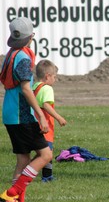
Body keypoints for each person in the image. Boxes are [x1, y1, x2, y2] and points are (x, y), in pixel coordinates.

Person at [0, 17, 52, 202]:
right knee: (45, 155)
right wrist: (40, 114)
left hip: (9, 113)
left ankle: (16, 200)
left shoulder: (11, 53)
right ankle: (12, 193)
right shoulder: (22, 57)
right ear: (31, 36)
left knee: (23, 159)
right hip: (21, 115)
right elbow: (25, 89)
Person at [33, 60, 67, 182]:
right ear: (47, 76)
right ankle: (47, 177)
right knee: (48, 153)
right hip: (45, 126)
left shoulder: (34, 86)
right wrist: (59, 117)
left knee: (41, 153)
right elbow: (46, 106)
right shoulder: (47, 88)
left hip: (34, 124)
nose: (55, 80)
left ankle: (28, 171)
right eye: (54, 77)